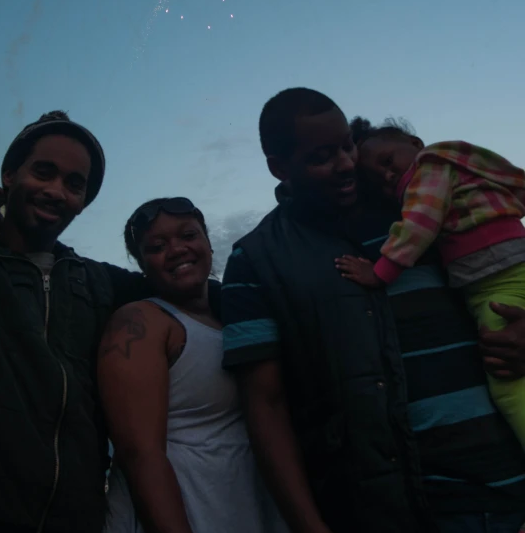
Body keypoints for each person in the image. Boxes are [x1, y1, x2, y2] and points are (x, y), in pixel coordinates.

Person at [221, 88, 525, 533]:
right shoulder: (256, 261)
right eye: (322, 156)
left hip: (512, 489)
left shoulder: (421, 209)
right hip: (399, 514)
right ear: (279, 168)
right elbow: (265, 406)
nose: (346, 163)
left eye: (346, 145)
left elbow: (507, 264)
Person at [0, 110, 147, 533]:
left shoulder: (100, 282)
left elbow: (184, 288)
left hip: (77, 517)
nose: (55, 191)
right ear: (9, 174)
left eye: (74, 184)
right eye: (43, 172)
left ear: (83, 203)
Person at [100, 197, 287, 533]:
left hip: (243, 505)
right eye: (157, 246)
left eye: (188, 235)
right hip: (183, 514)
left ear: (208, 243)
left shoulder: (234, 317)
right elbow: (139, 454)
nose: (177, 250)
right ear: (142, 263)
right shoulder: (142, 321)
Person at [336, 119, 525, 449]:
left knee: (508, 387)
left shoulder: (430, 167)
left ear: (415, 142)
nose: (389, 177)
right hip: (499, 277)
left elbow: (419, 224)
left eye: (387, 162)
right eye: (377, 181)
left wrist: (380, 273)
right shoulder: (454, 177)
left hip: (499, 282)